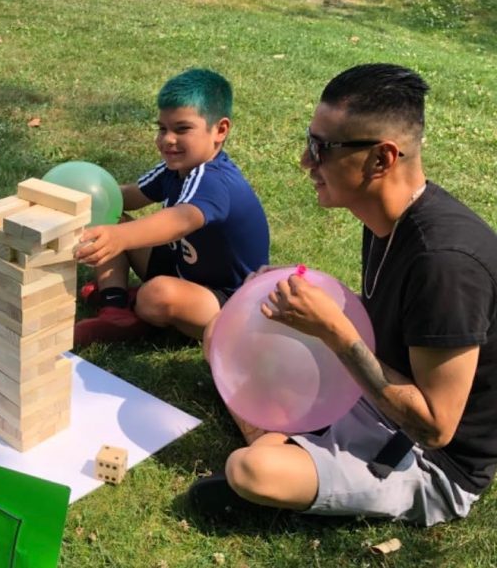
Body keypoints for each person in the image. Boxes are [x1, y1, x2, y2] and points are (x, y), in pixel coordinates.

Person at [190, 64, 497, 526]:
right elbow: (395, 316)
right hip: (371, 393)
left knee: (252, 470)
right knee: (218, 334)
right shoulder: (388, 219)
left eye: (321, 148)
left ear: (381, 159)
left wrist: (334, 328)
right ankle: (296, 447)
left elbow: (436, 427)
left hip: (428, 459)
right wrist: (307, 297)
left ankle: (284, 455)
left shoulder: (446, 262)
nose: (305, 161)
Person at [73, 68, 269, 346]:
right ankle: (115, 307)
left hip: (226, 299)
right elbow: (131, 196)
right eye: (162, 128)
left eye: (182, 129)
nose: (168, 139)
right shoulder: (175, 168)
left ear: (220, 130)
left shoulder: (214, 180)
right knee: (113, 218)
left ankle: (144, 313)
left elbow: (181, 218)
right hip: (182, 267)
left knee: (156, 294)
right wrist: (86, 196)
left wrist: (120, 238)